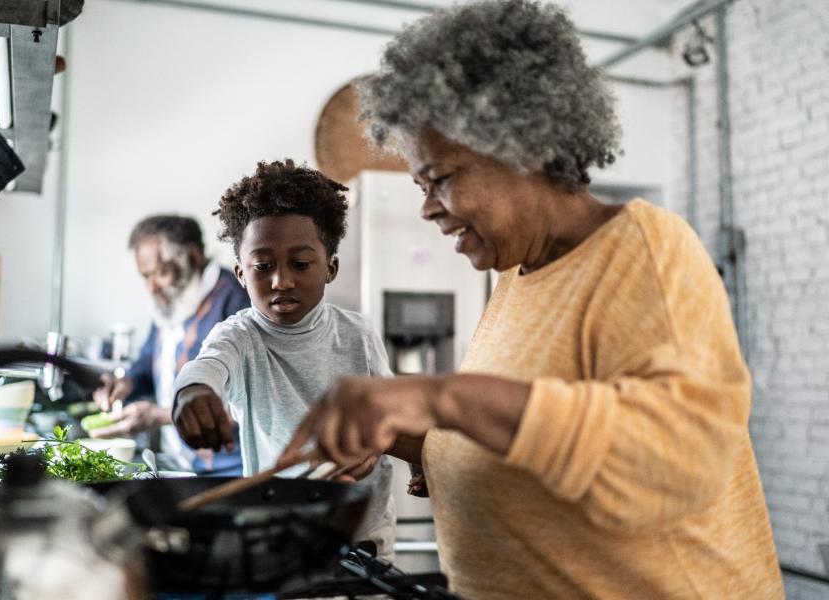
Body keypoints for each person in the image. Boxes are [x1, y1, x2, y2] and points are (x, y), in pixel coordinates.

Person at [278, 1, 784, 597]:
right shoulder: (518, 277)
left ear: (523, 144)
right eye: (419, 186)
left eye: (439, 178)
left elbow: (679, 461)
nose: (427, 208)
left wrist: (437, 396)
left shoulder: (643, 250)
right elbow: (525, 436)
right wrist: (400, 435)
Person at [170, 159, 396, 557]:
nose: (282, 281)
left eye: (301, 264)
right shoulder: (239, 336)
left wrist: (396, 452)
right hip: (281, 536)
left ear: (331, 267)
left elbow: (394, 414)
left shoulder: (358, 334)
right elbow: (204, 369)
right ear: (241, 274)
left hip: (365, 533)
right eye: (263, 266)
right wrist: (191, 393)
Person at [92, 215, 248, 475]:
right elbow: (147, 360)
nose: (151, 287)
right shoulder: (172, 301)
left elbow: (249, 400)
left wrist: (159, 416)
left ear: (194, 258)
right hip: (182, 463)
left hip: (230, 470)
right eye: (145, 277)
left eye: (160, 273)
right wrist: (125, 383)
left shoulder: (235, 302)